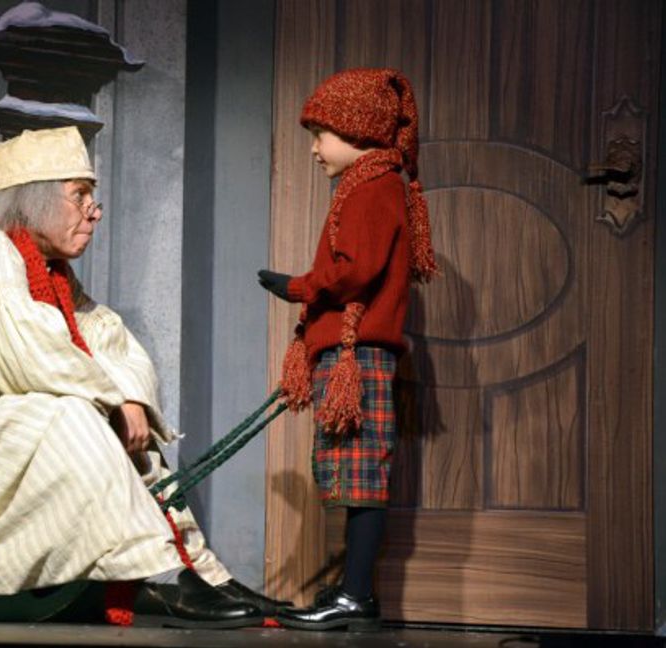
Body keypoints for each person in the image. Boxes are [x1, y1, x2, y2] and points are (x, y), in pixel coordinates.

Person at [0, 126, 283, 628]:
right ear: (34, 201)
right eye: (79, 196)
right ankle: (156, 575)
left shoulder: (40, 268)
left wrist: (128, 398)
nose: (95, 211)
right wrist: (113, 400)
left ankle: (201, 573)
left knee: (119, 429)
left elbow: (106, 338)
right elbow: (38, 360)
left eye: (92, 197)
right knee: (69, 415)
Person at [256, 68, 438, 631]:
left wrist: (299, 286)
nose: (314, 149)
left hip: (357, 354)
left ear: (356, 130)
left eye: (321, 134)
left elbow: (355, 270)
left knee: (362, 477)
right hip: (350, 351)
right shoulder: (370, 184)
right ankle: (354, 590)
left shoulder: (373, 186)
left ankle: (357, 594)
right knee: (353, 473)